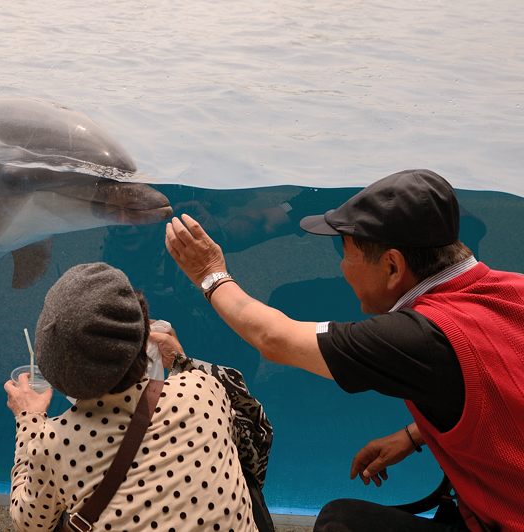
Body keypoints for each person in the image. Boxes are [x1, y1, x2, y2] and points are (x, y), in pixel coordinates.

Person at [163, 169, 524, 532]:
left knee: (341, 523)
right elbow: (499, 389)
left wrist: (209, 273)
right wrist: (416, 434)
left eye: (347, 254)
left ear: (393, 266)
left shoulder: (421, 337)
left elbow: (275, 338)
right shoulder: (513, 289)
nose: (341, 266)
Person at [4, 262, 266, 531]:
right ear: (144, 336)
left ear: (54, 368)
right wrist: (180, 360)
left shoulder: (53, 442)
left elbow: (30, 523)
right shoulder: (200, 388)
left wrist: (29, 420)